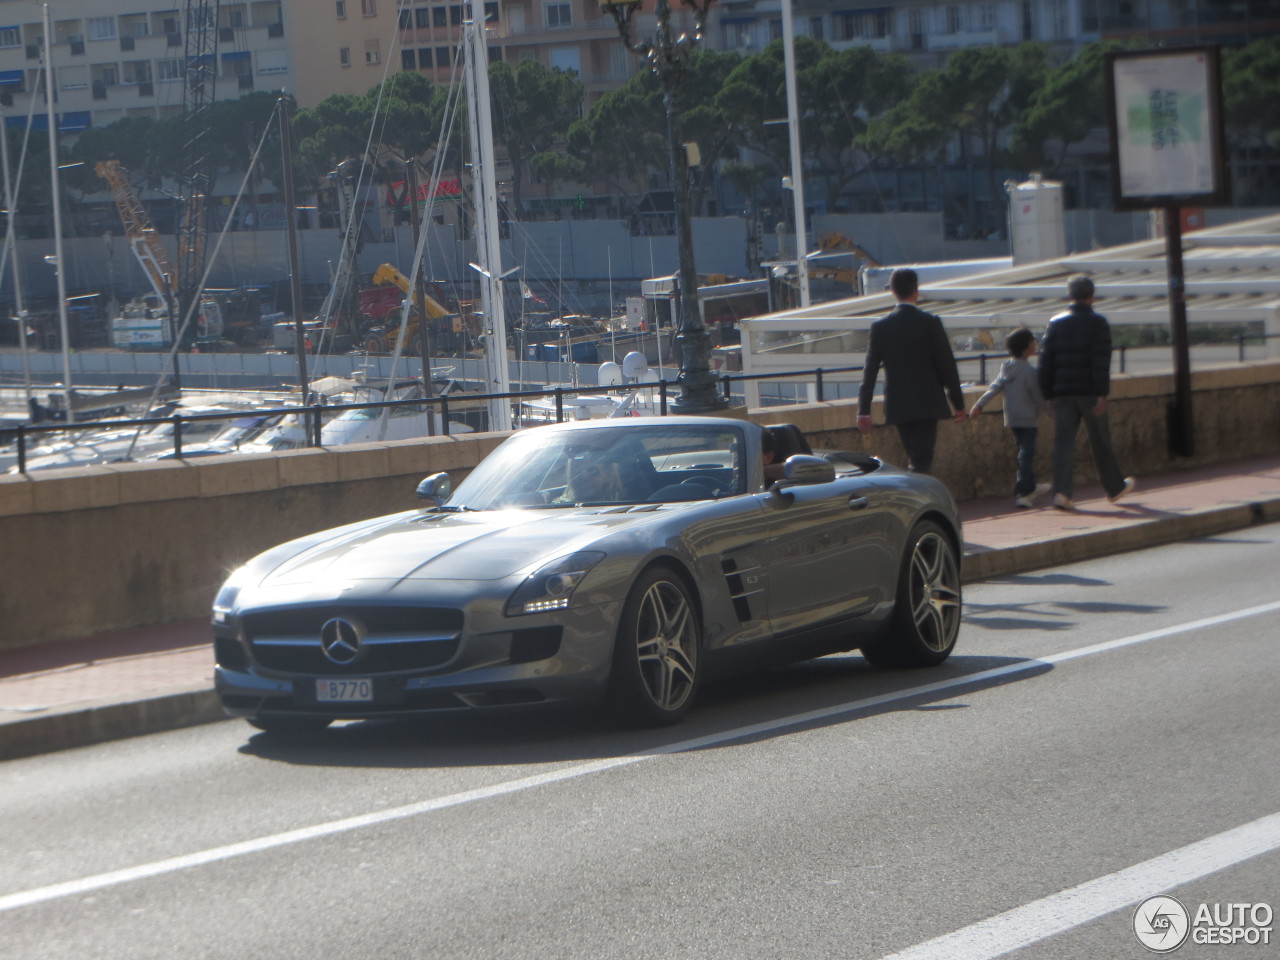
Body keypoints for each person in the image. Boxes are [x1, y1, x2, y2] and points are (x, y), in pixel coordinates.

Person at [1038, 274, 1135, 510]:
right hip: (1090, 392)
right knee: (1100, 440)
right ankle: (1114, 488)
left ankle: (1062, 492)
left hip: (1061, 393)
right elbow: (1100, 362)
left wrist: (1048, 394)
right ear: (1092, 296)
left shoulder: (1056, 323)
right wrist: (1102, 393)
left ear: (1070, 296)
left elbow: (1045, 362)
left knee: (1063, 444)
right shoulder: (1098, 323)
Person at [857, 267, 966, 473]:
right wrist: (958, 404)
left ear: (893, 291)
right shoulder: (930, 323)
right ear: (916, 290)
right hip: (928, 402)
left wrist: (864, 410)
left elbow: (869, 370)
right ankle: (921, 497)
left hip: (899, 404)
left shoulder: (880, 327)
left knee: (914, 454)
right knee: (922, 457)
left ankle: (918, 490)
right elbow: (947, 365)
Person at [970, 327, 1051, 508]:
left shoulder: (1006, 368)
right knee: (1026, 454)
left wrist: (979, 404)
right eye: (1032, 342)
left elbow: (994, 388)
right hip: (1028, 418)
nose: (1035, 344)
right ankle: (1023, 492)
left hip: (1013, 418)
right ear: (1026, 348)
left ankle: (1031, 486)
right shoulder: (1029, 371)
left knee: (1024, 452)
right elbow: (1037, 396)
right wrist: (1050, 412)